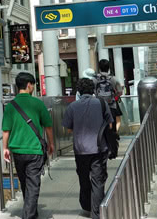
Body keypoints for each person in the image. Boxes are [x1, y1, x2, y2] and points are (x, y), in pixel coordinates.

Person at [2, 72, 54, 219]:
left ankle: (31, 212)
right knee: (33, 184)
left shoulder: (10, 106)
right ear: (29, 85)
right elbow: (48, 126)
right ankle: (29, 215)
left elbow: (6, 129)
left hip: (17, 150)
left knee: (25, 182)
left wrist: (5, 148)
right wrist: (51, 143)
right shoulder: (37, 103)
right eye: (33, 85)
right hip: (34, 150)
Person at [62, 78, 114, 219]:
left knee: (83, 178)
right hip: (99, 148)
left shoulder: (72, 107)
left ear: (78, 91)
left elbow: (67, 129)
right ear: (93, 90)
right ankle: (97, 213)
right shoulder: (102, 104)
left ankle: (86, 205)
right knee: (98, 181)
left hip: (80, 149)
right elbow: (110, 124)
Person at [94, 59, 123, 138]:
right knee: (112, 125)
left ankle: (102, 140)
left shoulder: (95, 79)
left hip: (98, 106)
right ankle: (113, 142)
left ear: (99, 68)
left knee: (100, 124)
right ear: (109, 68)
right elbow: (120, 92)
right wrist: (114, 96)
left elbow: (92, 92)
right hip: (111, 105)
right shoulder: (113, 79)